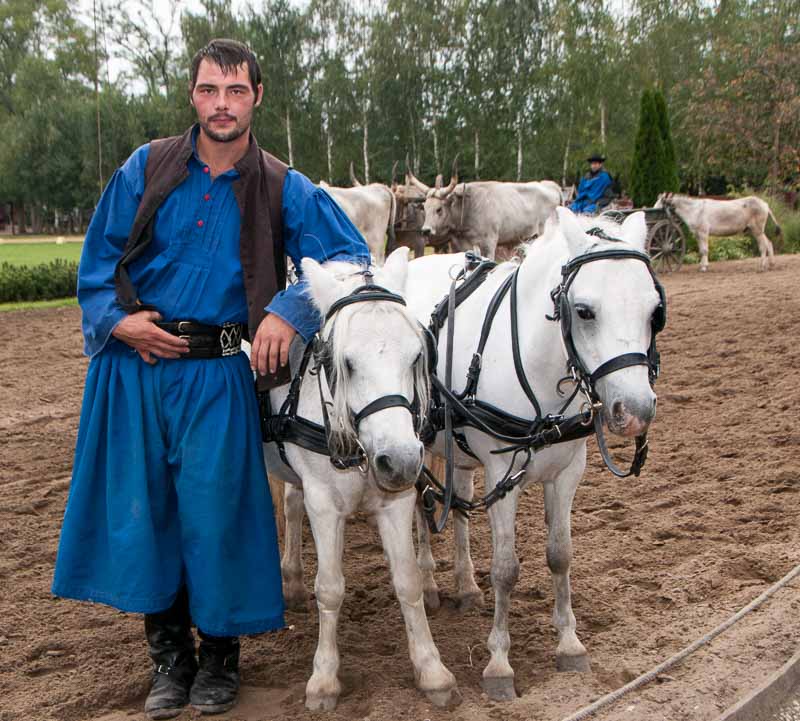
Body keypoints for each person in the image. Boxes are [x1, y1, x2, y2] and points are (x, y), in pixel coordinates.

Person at [51, 39, 369, 719]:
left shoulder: (283, 185)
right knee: (149, 512)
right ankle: (170, 662)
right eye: (208, 90)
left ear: (257, 97)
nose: (221, 105)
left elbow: (349, 257)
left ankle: (220, 659)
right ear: (193, 94)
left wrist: (289, 309)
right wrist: (119, 322)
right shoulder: (147, 166)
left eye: (235, 91)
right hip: (133, 371)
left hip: (219, 374)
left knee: (217, 514)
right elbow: (97, 261)